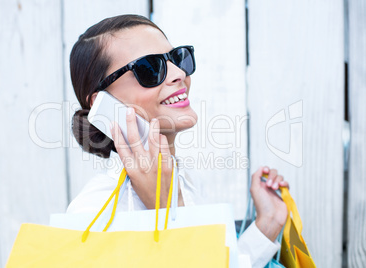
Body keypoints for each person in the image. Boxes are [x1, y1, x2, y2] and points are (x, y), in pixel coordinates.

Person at [68, 14, 289, 268]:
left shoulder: (183, 183)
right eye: (149, 68)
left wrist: (268, 223)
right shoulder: (93, 212)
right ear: (101, 103)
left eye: (176, 58)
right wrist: (168, 211)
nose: (178, 73)